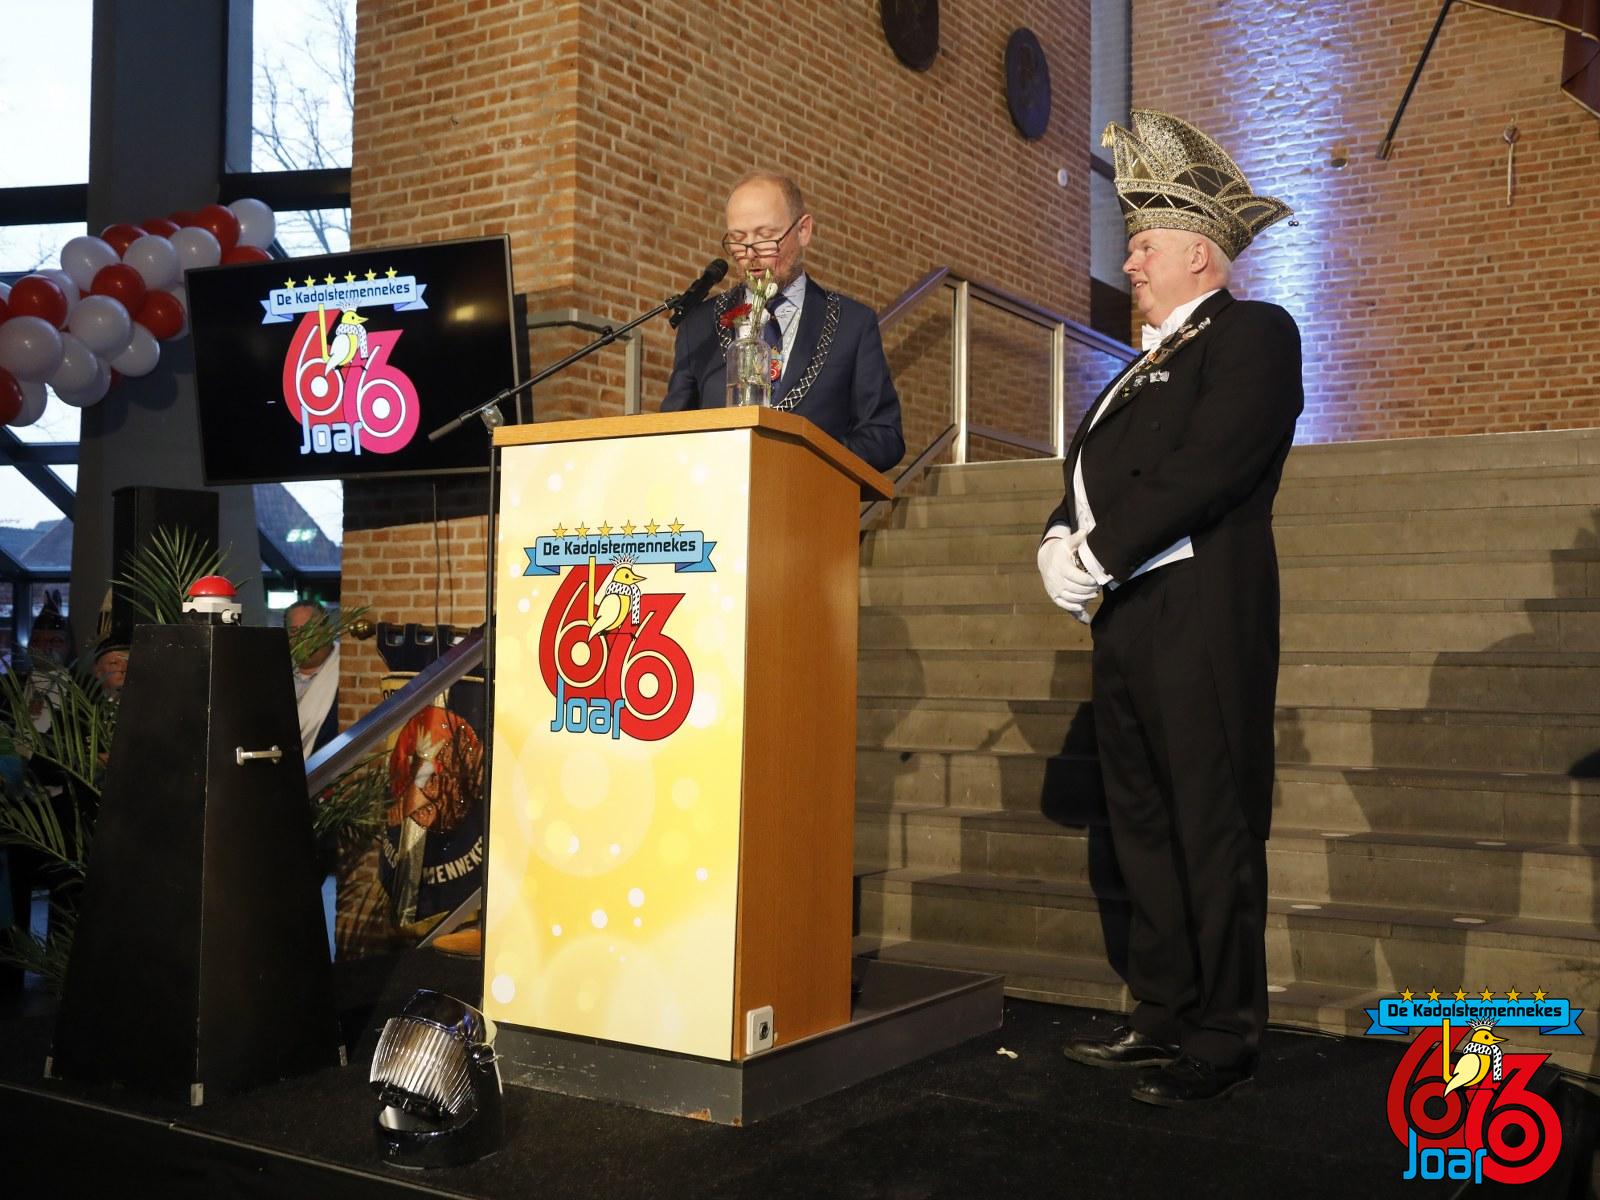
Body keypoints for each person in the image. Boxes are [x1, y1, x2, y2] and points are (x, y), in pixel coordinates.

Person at [1038, 110, 1303, 1107]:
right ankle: (1159, 1012)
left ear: (1199, 253)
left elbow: (1209, 465)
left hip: (1201, 616)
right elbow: (1086, 481)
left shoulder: (1254, 335)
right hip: (1129, 622)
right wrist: (1054, 541)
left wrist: (1094, 553)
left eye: (1143, 244)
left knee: (1209, 823)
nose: (1129, 263)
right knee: (1142, 823)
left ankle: (1223, 1031)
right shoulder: (1135, 371)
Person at [662, 171, 905, 473]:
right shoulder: (700, 326)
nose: (750, 254)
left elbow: (885, 436)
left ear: (803, 230)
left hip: (810, 495)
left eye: (765, 236)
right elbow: (670, 434)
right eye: (738, 239)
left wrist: (808, 457)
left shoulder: (852, 325)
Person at [285, 599, 340, 763]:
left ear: (328, 631)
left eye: (310, 630)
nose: (302, 638)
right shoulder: (275, 673)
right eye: (294, 631)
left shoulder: (344, 671)